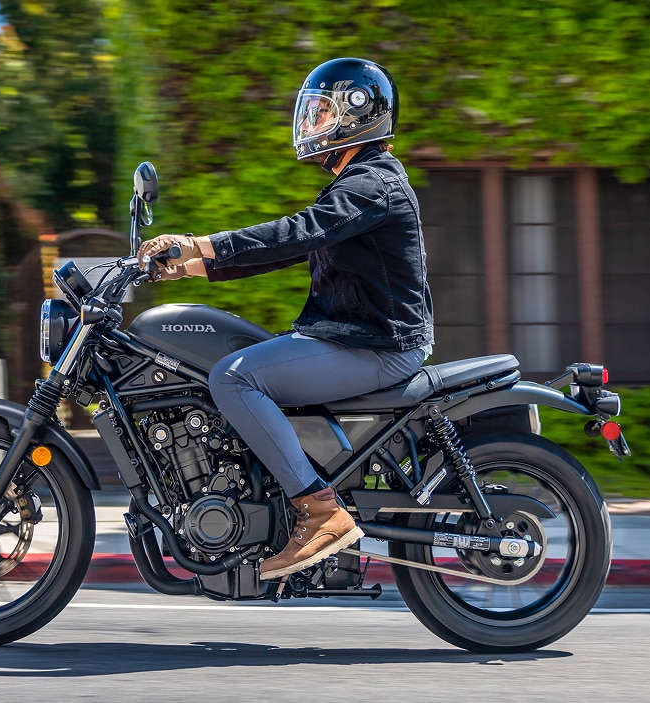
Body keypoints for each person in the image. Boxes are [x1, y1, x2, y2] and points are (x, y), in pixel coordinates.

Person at [138, 57, 434, 581]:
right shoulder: (359, 185)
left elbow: (298, 232)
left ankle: (319, 511)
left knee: (234, 377)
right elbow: (292, 249)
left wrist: (198, 242)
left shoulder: (372, 186)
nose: (311, 123)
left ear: (358, 114)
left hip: (378, 345)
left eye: (322, 112)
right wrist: (191, 266)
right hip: (356, 337)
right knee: (245, 365)